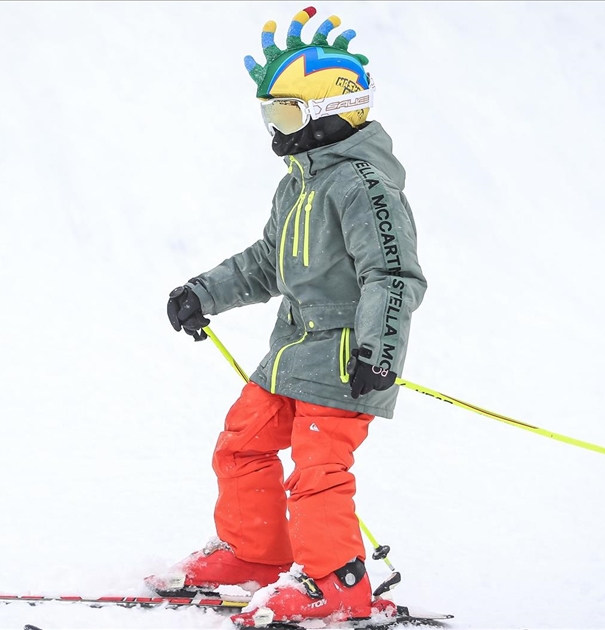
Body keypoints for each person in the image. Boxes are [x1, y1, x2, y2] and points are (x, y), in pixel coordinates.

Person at [150, 6, 428, 626]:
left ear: (328, 114)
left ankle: (337, 583)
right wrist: (205, 291)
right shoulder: (297, 184)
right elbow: (267, 263)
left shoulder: (364, 186)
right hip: (291, 351)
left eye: (286, 113)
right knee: (242, 443)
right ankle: (255, 555)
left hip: (347, 357)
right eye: (270, 113)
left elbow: (393, 275)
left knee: (319, 469)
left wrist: (379, 349)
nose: (275, 128)